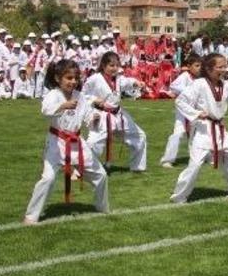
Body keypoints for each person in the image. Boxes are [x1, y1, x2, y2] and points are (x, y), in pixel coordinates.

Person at [170, 53, 228, 203]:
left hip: (219, 128)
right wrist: (196, 113)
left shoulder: (224, 85)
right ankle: (179, 196)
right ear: (208, 69)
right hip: (203, 129)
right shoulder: (200, 84)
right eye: (220, 67)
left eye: (225, 66)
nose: (224, 69)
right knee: (194, 165)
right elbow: (180, 101)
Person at [23, 59, 109, 224]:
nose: (73, 82)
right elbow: (46, 111)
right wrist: (63, 106)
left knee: (102, 175)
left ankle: (102, 207)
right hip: (57, 142)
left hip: (77, 142)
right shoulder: (53, 95)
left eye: (75, 78)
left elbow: (87, 117)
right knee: (48, 178)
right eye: (69, 78)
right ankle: (31, 216)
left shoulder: (80, 96)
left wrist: (94, 118)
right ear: (57, 78)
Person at [82, 52, 148, 172]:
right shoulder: (94, 79)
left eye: (117, 65)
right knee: (93, 144)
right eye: (111, 65)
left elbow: (128, 82)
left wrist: (137, 83)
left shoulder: (118, 79)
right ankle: (83, 168)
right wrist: (95, 100)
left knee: (140, 136)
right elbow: (83, 95)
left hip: (118, 115)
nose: (115, 68)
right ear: (103, 65)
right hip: (102, 115)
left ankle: (137, 167)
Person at [160, 53, 202, 168]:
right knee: (178, 133)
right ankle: (167, 159)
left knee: (198, 133)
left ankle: (200, 156)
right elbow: (173, 86)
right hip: (182, 111)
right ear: (189, 66)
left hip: (195, 110)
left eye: (200, 66)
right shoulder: (185, 76)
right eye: (197, 66)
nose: (199, 68)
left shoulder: (200, 79)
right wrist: (189, 90)